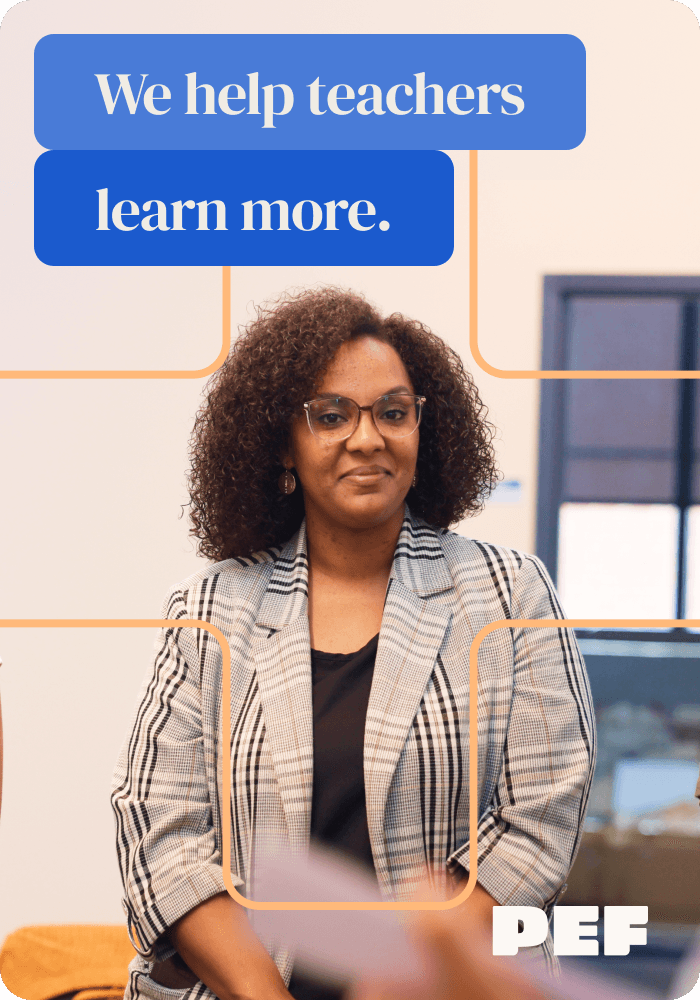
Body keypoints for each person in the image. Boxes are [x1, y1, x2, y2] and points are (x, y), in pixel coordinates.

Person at [111, 287, 596, 1000]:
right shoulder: (209, 609)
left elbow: (542, 819)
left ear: (424, 430)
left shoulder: (509, 592)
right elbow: (161, 832)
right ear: (283, 439)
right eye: (331, 415)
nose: (367, 437)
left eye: (393, 412)